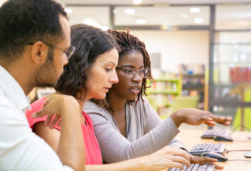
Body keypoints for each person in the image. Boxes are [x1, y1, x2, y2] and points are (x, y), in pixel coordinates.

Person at [26, 24, 202, 171]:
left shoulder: (83, 117)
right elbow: (68, 169)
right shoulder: (48, 112)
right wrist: (147, 162)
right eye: (108, 68)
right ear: (82, 66)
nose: (115, 79)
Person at [84, 30, 231, 167]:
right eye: (129, 70)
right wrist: (178, 118)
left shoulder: (138, 104)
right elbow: (126, 155)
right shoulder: (90, 111)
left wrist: (184, 155)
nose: (138, 78)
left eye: (142, 70)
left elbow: (168, 139)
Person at [0, 0, 85, 170]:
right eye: (64, 52)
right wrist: (70, 106)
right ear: (39, 52)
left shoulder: (1, 98)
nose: (66, 61)